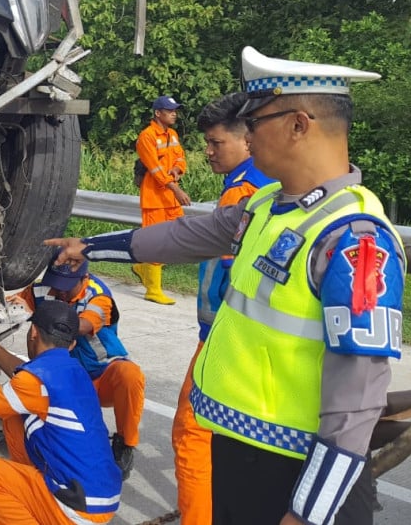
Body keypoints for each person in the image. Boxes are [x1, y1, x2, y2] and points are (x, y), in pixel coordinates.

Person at [45, 46, 404, 525]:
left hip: (296, 477)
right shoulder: (271, 204)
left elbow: (358, 398)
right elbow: (184, 235)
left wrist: (308, 512)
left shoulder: (353, 241)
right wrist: (89, 246)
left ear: (299, 124)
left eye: (255, 122)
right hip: (240, 455)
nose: (247, 137)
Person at [171, 91, 273, 525]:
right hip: (243, 340)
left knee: (191, 434)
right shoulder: (260, 184)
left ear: (247, 141)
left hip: (223, 341)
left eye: (217, 144)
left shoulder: (245, 195)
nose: (208, 152)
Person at [0, 299, 122, 525]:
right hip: (101, 496)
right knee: (13, 417)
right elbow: (22, 373)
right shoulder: (75, 370)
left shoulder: (35, 381)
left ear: (33, 332)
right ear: (72, 345)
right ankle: (32, 498)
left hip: (78, 509)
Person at [34, 259, 146, 480]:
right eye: (57, 283)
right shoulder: (43, 289)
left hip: (100, 376)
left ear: (84, 278)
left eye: (67, 286)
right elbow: (10, 303)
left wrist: (48, 321)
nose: (60, 292)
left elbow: (85, 325)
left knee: (130, 376)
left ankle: (125, 443)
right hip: (66, 377)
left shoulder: (98, 295)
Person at [134, 94, 191, 305]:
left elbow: (179, 156)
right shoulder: (146, 137)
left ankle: (142, 268)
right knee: (156, 243)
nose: (174, 114)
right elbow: (156, 170)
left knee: (177, 236)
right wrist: (176, 189)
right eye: (169, 111)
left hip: (170, 197)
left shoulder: (172, 134)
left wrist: (178, 168)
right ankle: (153, 289)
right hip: (155, 198)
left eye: (175, 110)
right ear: (158, 113)